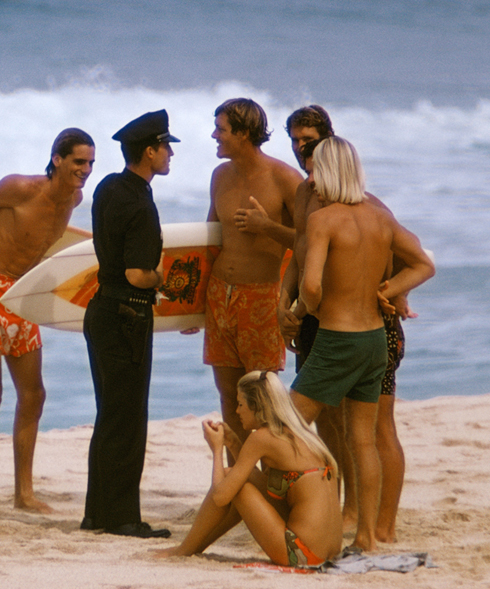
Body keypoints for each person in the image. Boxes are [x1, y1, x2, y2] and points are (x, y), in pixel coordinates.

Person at [287, 136, 434, 553]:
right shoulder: (380, 218)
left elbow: (311, 286)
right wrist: (387, 290)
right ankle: (366, 537)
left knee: (285, 427)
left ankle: (305, 518)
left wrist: (299, 313)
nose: (311, 180)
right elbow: (424, 264)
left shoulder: (323, 220)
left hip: (337, 340)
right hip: (374, 341)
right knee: (363, 441)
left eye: (316, 171)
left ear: (330, 173)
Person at [0, 128, 96, 515]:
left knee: (33, 395)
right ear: (57, 159)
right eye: (79, 162)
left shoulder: (74, 199)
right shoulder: (19, 188)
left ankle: (24, 494)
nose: (86, 170)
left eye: (90, 163)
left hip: (21, 293)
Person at [81, 109, 177, 539]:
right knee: (128, 419)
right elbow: (138, 274)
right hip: (129, 315)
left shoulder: (108, 187)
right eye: (166, 147)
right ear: (150, 151)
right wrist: (163, 279)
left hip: (101, 309)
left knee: (109, 415)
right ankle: (122, 517)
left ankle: (97, 514)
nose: (170, 154)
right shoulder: (140, 203)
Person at [154, 371, 342, 567]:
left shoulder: (262, 437)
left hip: (302, 555)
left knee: (234, 484)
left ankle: (184, 550)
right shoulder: (301, 433)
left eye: (241, 404)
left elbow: (220, 497)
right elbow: (255, 482)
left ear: (257, 407)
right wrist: (234, 444)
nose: (237, 411)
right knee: (237, 481)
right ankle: (192, 548)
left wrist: (217, 449)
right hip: (330, 553)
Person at [201, 98, 302, 452]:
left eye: (221, 130)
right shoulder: (220, 176)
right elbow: (211, 241)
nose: (214, 135)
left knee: (261, 398)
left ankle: (273, 471)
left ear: (244, 133)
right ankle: (239, 475)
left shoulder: (284, 178)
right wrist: (191, 303)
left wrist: (267, 227)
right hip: (219, 296)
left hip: (261, 298)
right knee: (229, 396)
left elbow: (312, 239)